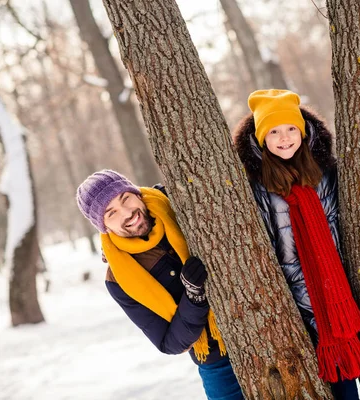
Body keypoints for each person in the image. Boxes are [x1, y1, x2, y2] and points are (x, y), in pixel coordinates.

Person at [232, 89, 360, 399]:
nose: (284, 138)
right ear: (261, 138)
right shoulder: (257, 186)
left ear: (303, 131)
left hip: (341, 296)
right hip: (299, 306)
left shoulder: (325, 172)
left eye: (291, 128)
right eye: (274, 131)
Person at [76, 170, 243, 400]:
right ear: (103, 226)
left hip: (261, 323)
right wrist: (193, 298)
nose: (127, 213)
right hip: (215, 361)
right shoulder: (118, 279)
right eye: (111, 213)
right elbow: (168, 343)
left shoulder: (175, 201)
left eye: (125, 198)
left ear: (137, 194)